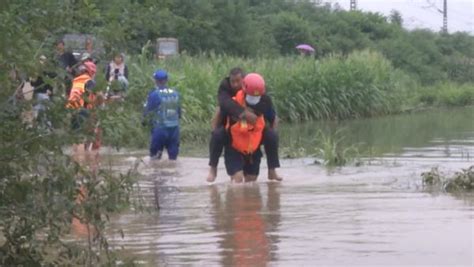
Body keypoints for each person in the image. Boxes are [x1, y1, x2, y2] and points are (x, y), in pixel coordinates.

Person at [206, 68, 282, 183]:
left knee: (251, 181)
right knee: (237, 179)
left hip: (252, 143)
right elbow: (221, 109)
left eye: (238, 81)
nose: (235, 84)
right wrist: (244, 114)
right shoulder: (229, 97)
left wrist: (270, 139)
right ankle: (213, 168)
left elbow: (274, 118)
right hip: (234, 141)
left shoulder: (262, 96)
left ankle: (272, 170)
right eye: (233, 81)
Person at [224, 73, 268, 183]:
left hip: (253, 150)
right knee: (237, 180)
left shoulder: (265, 103)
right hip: (234, 148)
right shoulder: (232, 103)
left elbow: (273, 121)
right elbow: (219, 117)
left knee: (251, 182)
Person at [143, 69, 181, 161]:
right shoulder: (176, 94)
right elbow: (179, 112)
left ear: (155, 80)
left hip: (160, 129)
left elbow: (148, 111)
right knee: (173, 159)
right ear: (166, 80)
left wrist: (144, 122)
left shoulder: (154, 94)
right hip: (174, 130)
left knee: (154, 159)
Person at [67, 61, 103, 151]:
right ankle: (82, 160)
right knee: (82, 138)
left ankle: (76, 158)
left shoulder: (76, 80)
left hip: (72, 110)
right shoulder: (89, 80)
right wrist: (101, 102)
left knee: (76, 137)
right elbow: (98, 95)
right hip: (82, 110)